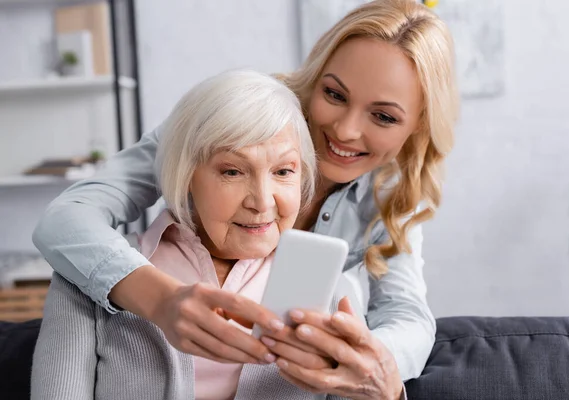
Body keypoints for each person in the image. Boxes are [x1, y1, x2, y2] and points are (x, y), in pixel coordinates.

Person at [33, 0, 459, 398]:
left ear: (418, 126)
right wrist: (161, 300)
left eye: (383, 116)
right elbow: (69, 217)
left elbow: (408, 316)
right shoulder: (224, 122)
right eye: (334, 94)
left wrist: (361, 359)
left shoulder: (390, 200)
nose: (346, 130)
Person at [32, 69, 355, 400]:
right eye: (232, 171)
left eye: (283, 171)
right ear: (186, 175)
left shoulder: (330, 288)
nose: (261, 201)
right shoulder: (86, 275)